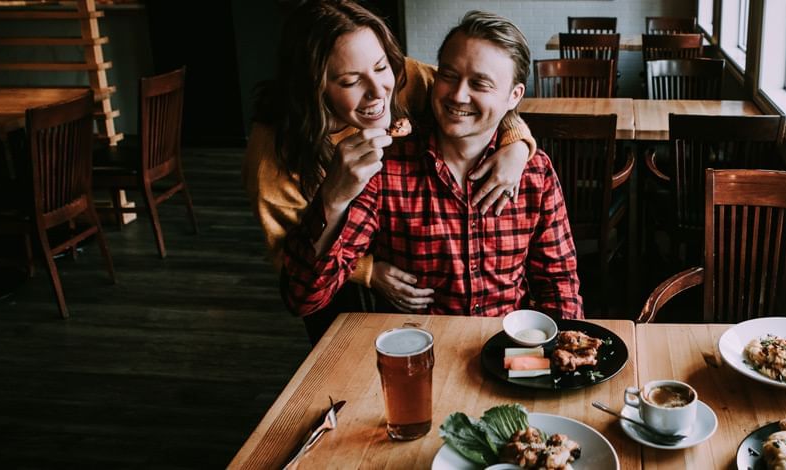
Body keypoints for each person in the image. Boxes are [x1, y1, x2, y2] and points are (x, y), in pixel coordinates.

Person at [241, 1, 537, 336]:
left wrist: (516, 144)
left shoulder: (405, 78)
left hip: (401, 247)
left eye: (381, 67)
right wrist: (367, 270)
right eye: (351, 81)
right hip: (328, 261)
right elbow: (289, 264)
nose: (379, 91)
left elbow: (478, 101)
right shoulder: (273, 153)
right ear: (312, 87)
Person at [282, 10, 583, 320]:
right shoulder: (384, 169)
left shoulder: (536, 173)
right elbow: (303, 298)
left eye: (480, 84)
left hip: (506, 349)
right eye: (448, 75)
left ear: (514, 96)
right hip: (413, 350)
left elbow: (558, 282)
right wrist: (332, 199)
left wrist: (565, 353)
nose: (458, 95)